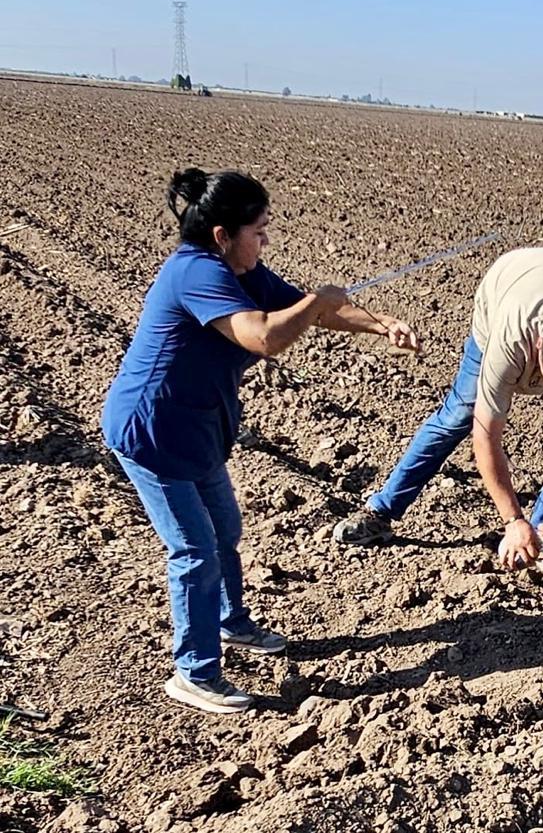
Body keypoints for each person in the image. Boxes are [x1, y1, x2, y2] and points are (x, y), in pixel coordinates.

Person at [102, 168, 420, 714]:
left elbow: (312, 307)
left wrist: (379, 322)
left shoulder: (241, 270)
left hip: (198, 427)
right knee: (194, 549)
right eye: (259, 229)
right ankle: (194, 673)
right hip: (154, 430)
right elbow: (265, 336)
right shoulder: (196, 273)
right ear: (223, 235)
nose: (265, 239)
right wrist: (317, 298)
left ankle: (231, 624)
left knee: (226, 528)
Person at [333, 247, 543, 573]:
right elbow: (485, 436)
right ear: (537, 344)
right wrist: (512, 520)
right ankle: (380, 512)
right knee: (461, 413)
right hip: (507, 284)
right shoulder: (510, 336)